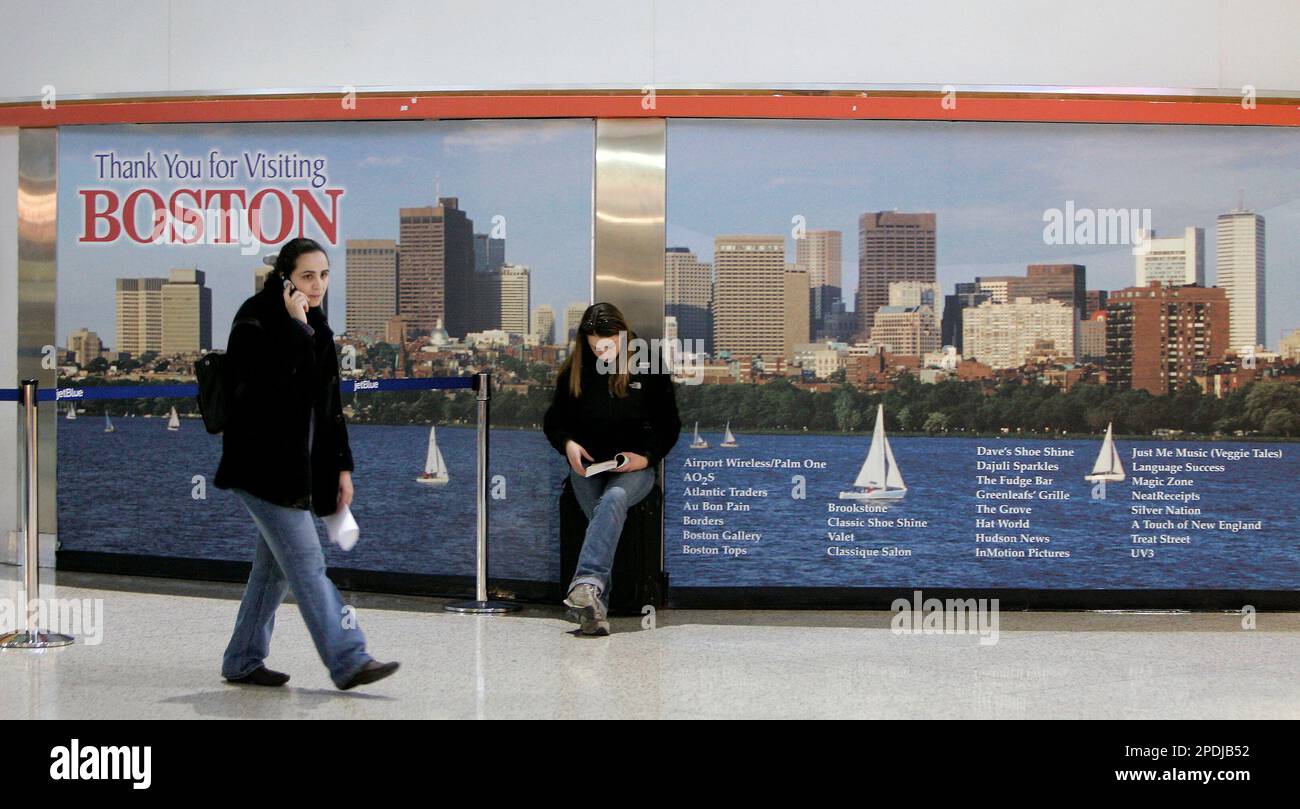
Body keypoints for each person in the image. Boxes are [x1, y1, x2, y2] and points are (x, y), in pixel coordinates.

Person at [214, 237, 399, 690]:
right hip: (260, 468)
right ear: (285, 279)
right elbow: (267, 392)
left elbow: (327, 406)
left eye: (324, 275)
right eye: (307, 277)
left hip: (294, 469)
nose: (318, 286)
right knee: (307, 561)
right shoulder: (255, 319)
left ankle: (241, 659)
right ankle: (348, 658)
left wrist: (342, 469)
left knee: (275, 568)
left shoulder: (317, 324)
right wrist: (298, 329)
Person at [543, 302, 681, 635]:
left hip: (635, 468)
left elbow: (670, 425)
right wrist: (568, 445)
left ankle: (587, 584)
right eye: (594, 347)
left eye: (608, 345)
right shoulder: (576, 370)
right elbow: (554, 421)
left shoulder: (647, 365)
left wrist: (646, 458)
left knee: (613, 500)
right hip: (589, 468)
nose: (602, 352)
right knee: (605, 514)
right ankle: (594, 610)